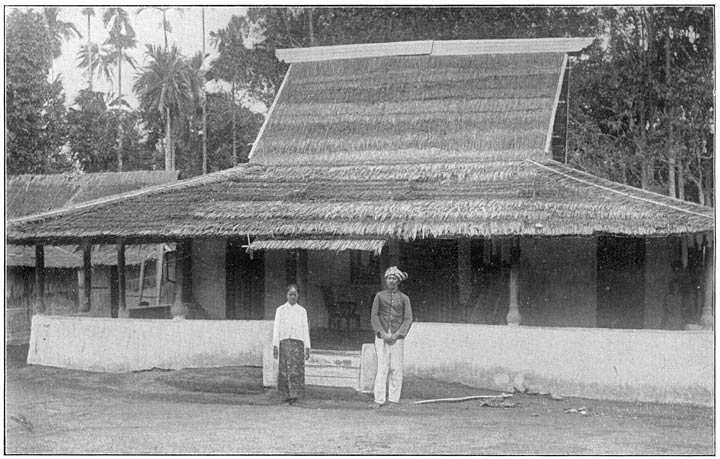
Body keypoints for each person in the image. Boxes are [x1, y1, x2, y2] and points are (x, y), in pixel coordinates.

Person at [370, 266, 413, 407]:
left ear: (398, 281)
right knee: (382, 367)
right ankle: (379, 399)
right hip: (382, 335)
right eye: (389, 278)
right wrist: (381, 333)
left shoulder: (404, 298)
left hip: (397, 336)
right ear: (386, 280)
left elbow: (408, 318)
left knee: (396, 368)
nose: (391, 281)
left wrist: (398, 334)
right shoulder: (379, 296)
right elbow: (374, 315)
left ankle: (394, 399)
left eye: (394, 278)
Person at [272, 284, 311, 405]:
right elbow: (276, 328)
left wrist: (307, 347)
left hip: (298, 344)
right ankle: (285, 395)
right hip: (284, 343)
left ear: (298, 295)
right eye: (290, 294)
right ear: (286, 295)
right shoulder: (280, 310)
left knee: (296, 371)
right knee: (284, 370)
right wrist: (275, 346)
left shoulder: (302, 311)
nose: (293, 297)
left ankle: (295, 396)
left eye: (295, 294)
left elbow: (305, 329)